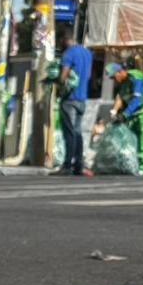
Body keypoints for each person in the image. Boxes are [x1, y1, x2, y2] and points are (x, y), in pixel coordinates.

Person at [107, 61, 143, 175]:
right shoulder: (122, 82)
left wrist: (124, 115)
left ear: (120, 72)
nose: (113, 80)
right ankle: (132, 164)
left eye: (113, 76)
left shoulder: (136, 77)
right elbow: (120, 96)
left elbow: (136, 99)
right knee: (131, 138)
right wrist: (115, 111)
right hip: (134, 112)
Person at [55, 28, 92, 176]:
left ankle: (67, 165)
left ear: (64, 39)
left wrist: (57, 82)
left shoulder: (68, 53)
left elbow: (63, 77)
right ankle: (78, 165)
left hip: (69, 99)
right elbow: (88, 75)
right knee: (77, 132)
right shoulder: (86, 53)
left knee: (69, 133)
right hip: (82, 99)